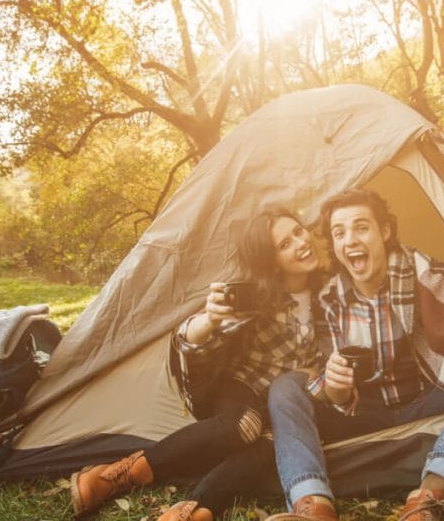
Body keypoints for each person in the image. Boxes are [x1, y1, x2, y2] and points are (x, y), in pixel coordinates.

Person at [265, 189, 444, 521]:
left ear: (385, 232)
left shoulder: (421, 273)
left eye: (361, 227)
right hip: (364, 409)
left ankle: (429, 498)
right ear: (334, 246)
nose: (350, 240)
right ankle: (313, 505)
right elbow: (335, 394)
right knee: (285, 387)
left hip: (425, 396)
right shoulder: (328, 298)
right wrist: (334, 385)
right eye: (339, 232)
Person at [70, 208, 325, 520]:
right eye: (285, 244)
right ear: (272, 260)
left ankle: (195, 510)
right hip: (242, 386)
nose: (301, 243)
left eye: (299, 232)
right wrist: (210, 319)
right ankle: (120, 474)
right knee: (244, 425)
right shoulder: (257, 294)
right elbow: (194, 335)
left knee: (269, 447)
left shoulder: (331, 291)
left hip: (285, 403)